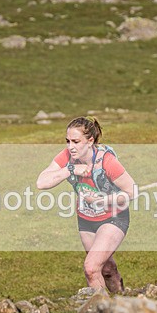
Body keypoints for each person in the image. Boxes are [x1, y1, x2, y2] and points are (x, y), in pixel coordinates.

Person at [37, 117, 136, 295]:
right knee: (107, 268)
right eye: (67, 141)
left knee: (91, 268)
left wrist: (101, 201)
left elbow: (132, 192)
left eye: (76, 141)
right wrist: (70, 170)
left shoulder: (106, 161)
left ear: (90, 141)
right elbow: (41, 182)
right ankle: (123, 301)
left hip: (113, 218)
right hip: (86, 220)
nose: (70, 146)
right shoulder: (67, 157)